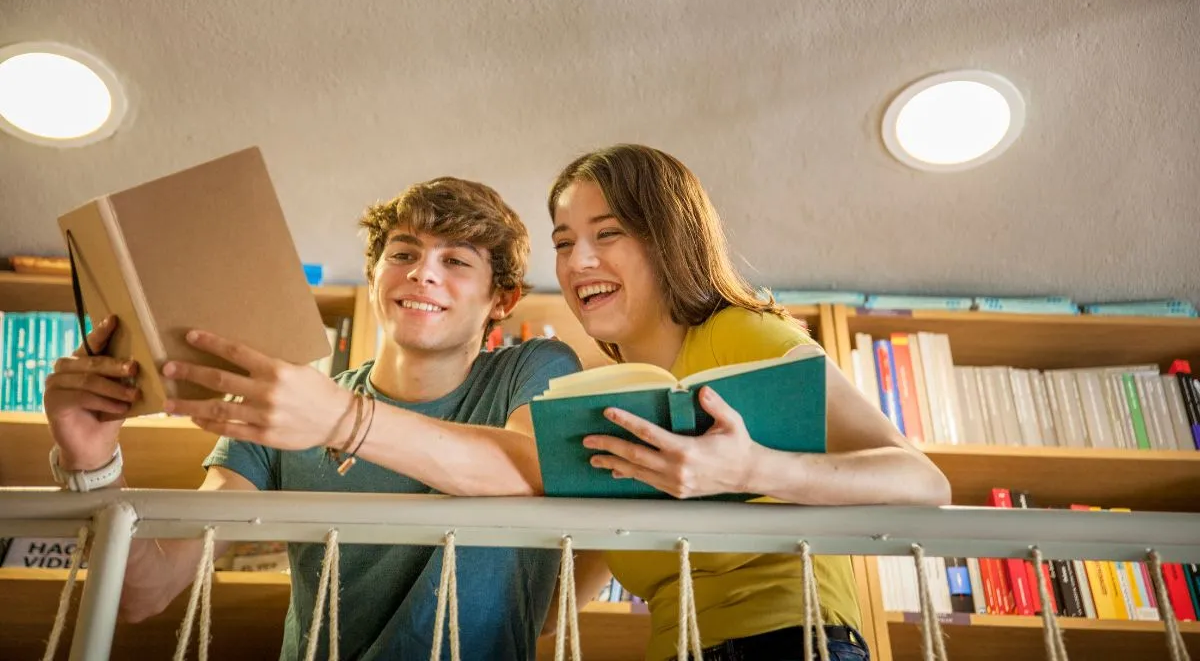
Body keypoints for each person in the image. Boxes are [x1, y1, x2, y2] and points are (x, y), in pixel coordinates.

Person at [42, 176, 582, 661]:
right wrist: (91, 460)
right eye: (402, 254)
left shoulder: (535, 368)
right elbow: (145, 591)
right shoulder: (289, 407)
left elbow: (529, 469)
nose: (422, 273)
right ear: (374, 276)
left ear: (502, 299)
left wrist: (340, 420)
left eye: (457, 261)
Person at [547, 144, 951, 661]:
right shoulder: (603, 401)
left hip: (796, 640)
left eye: (607, 233)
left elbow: (923, 482)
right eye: (563, 243)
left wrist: (749, 470)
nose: (578, 261)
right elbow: (553, 611)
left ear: (668, 239)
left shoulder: (741, 332)